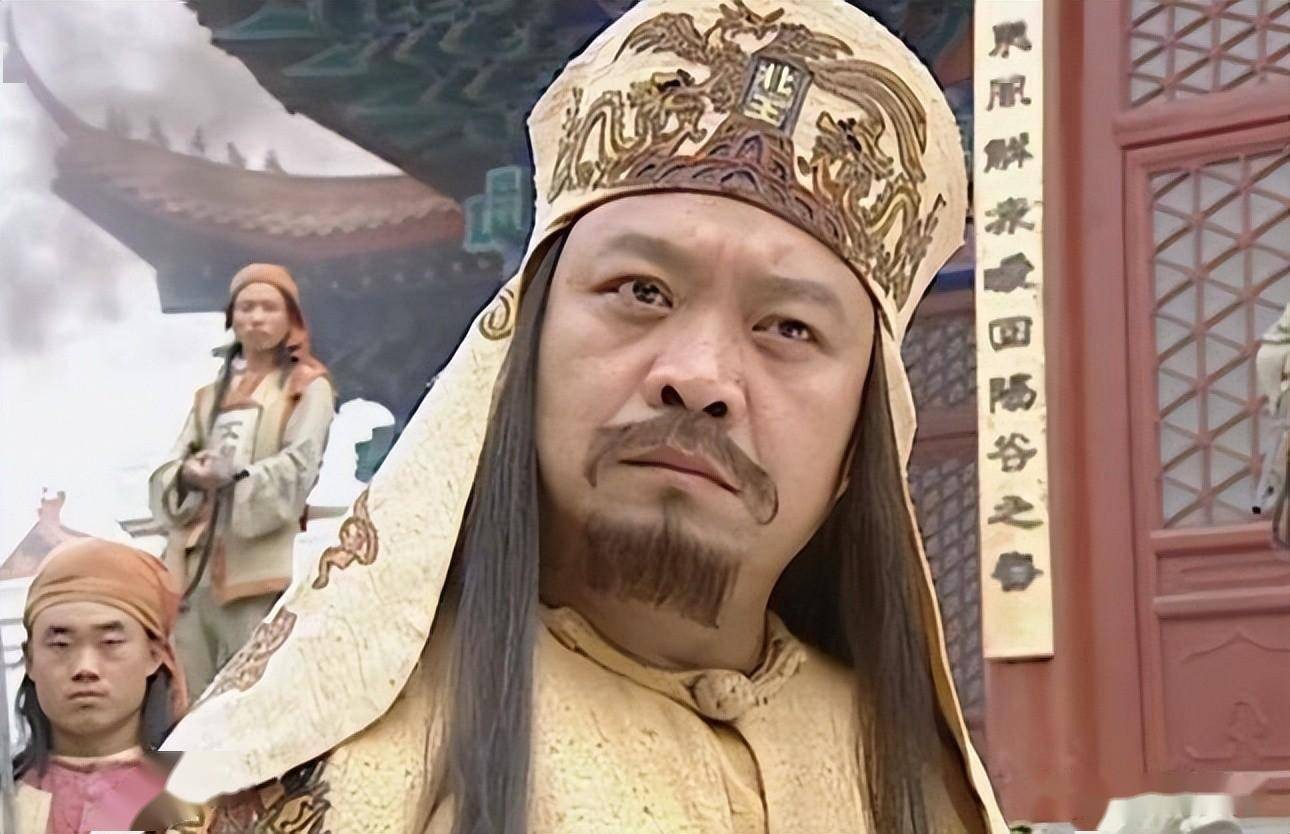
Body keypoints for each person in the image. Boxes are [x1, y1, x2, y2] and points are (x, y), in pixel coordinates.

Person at [160, 2, 1007, 832]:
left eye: (789, 328)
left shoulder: (920, 791)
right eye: (642, 291)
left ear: (865, 435)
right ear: (515, 354)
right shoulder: (302, 771)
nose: (698, 378)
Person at [148, 263, 334, 698]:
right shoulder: (208, 397)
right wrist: (189, 475)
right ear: (232, 317)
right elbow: (174, 462)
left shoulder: (308, 387)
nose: (256, 317)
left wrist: (237, 477)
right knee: (189, 698)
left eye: (268, 307)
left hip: (259, 569)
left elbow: (300, 464)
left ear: (290, 318)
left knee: (255, 695)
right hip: (194, 570)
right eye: (246, 308)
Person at [12, 538, 189, 833]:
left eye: (110, 642)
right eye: (61, 644)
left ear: (154, 655)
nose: (85, 668)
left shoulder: (204, 796)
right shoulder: (9, 799)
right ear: (30, 660)